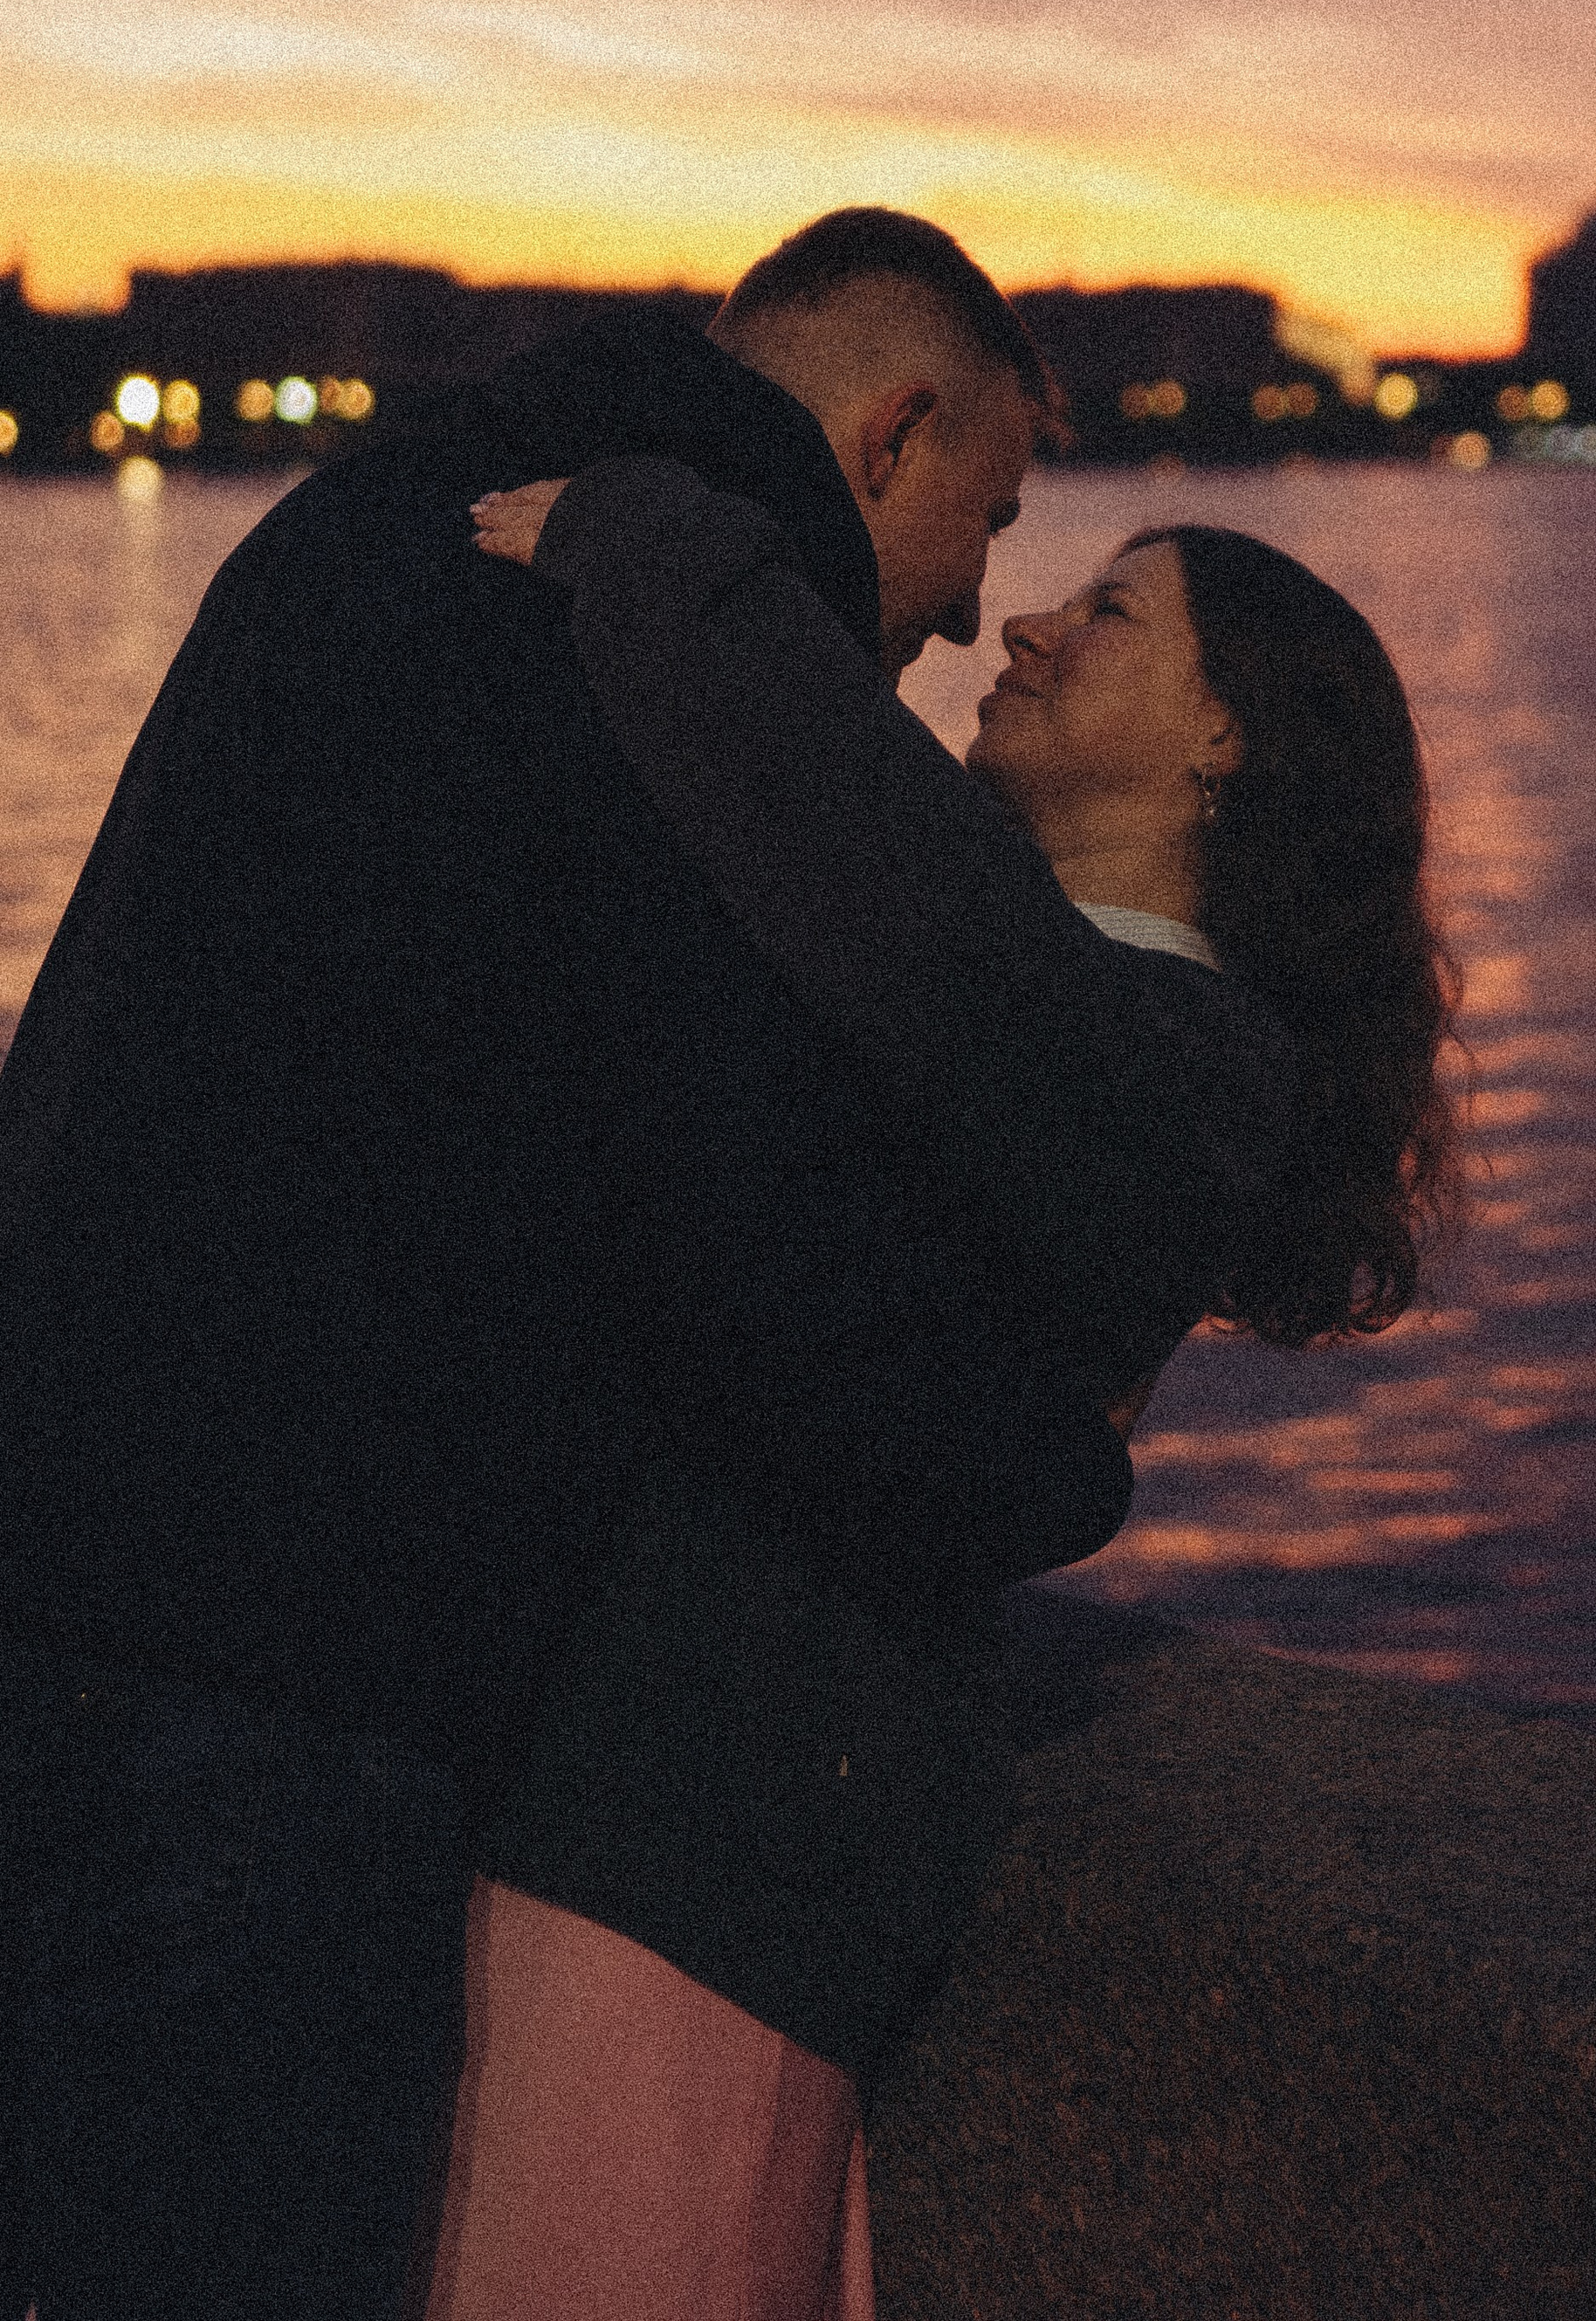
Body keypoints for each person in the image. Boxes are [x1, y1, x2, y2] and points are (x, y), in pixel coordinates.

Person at [0, 210, 1149, 2321]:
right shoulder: (662, 645)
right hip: (272, 1652)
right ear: (886, 435)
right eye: (981, 518)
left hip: (80, 1543)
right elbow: (736, 1199)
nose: (978, 606)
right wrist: (1047, 1470)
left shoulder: (391, 516)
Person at [423, 461, 1462, 2315]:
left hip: (713, 1834)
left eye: (1115, 612)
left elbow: (861, 850)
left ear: (1224, 739)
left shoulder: (1176, 1051)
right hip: (646, 1802)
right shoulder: (1019, 986)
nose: (1029, 623)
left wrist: (656, 550)